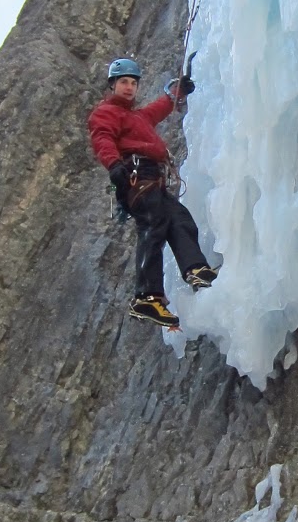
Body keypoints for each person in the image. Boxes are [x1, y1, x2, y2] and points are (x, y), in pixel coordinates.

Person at [87, 56, 217, 326]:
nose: (129, 87)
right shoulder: (106, 112)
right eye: (123, 82)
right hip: (135, 176)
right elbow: (103, 137)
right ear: (112, 85)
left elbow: (160, 108)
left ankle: (195, 268)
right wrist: (113, 164)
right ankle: (146, 297)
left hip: (151, 179)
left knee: (179, 219)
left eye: (133, 83)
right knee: (153, 225)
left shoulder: (137, 116)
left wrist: (177, 91)